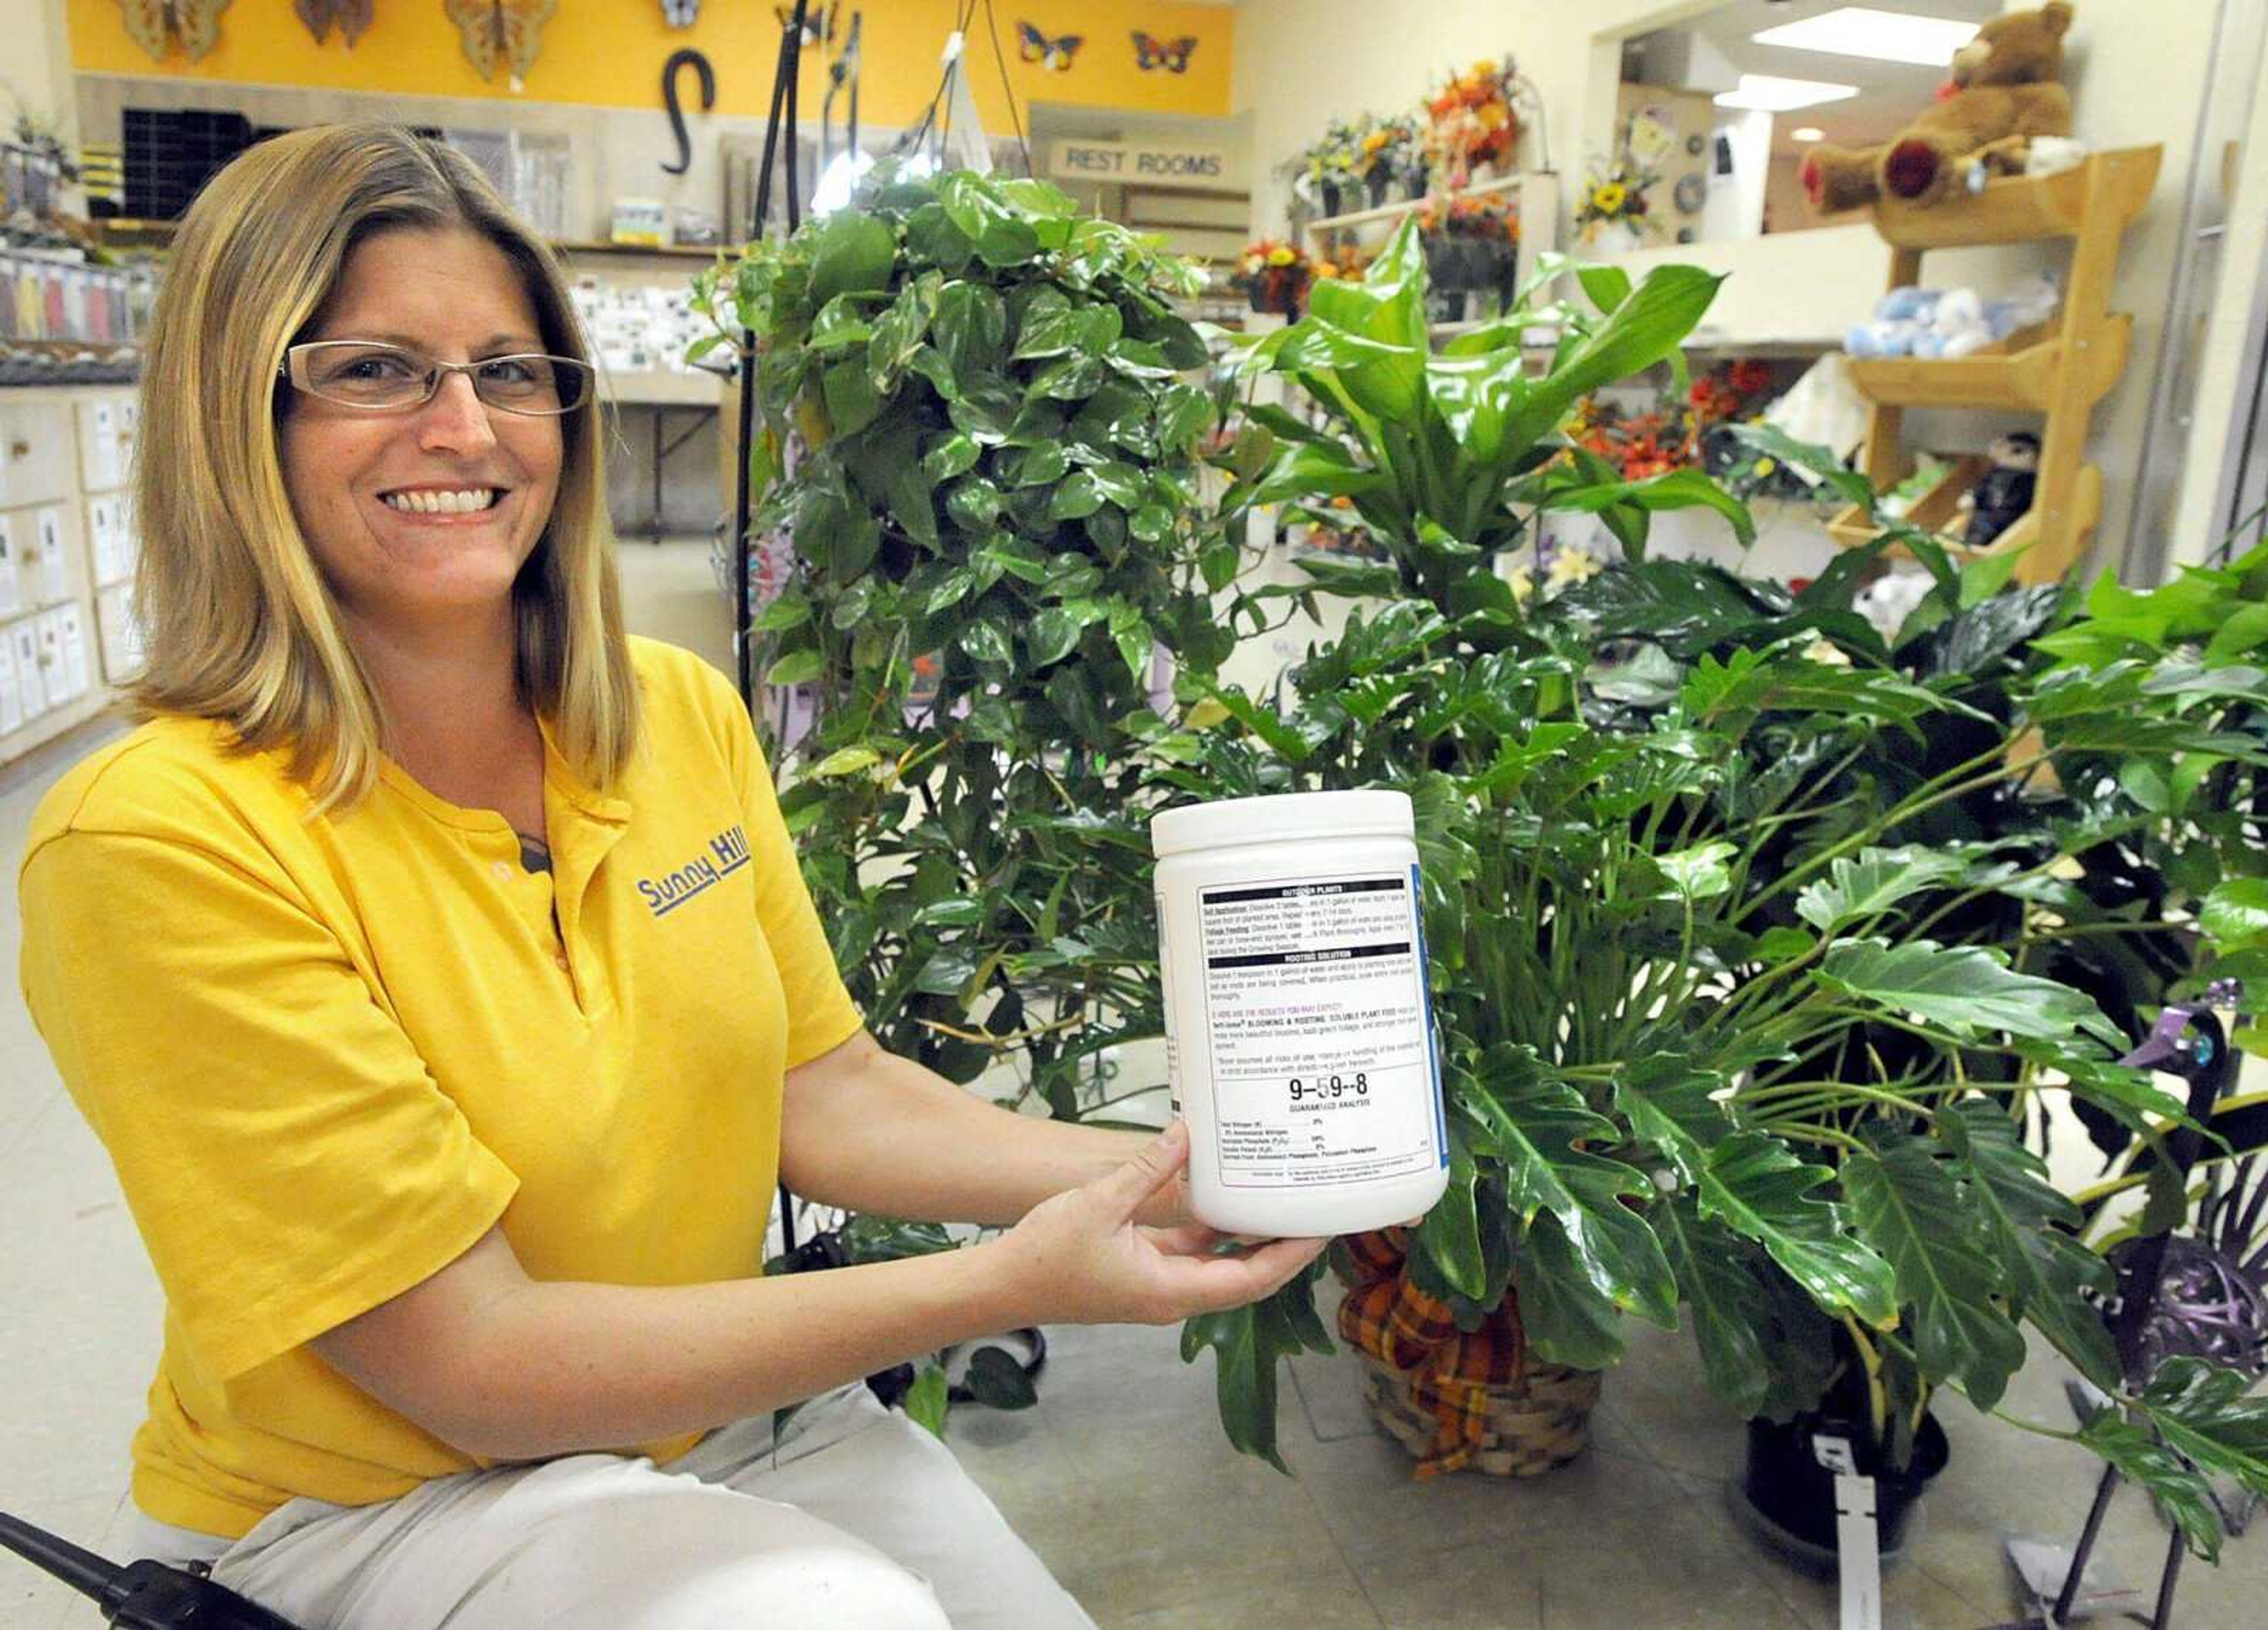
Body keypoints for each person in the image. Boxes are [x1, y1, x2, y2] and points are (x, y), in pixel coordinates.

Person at [17, 122, 1325, 1630]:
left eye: (510, 373)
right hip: (392, 1498)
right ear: (235, 413)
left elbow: (816, 1088)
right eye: (375, 369)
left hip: (728, 1414)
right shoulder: (160, 840)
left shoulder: (669, 715)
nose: (465, 429)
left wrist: (1182, 1175)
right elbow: (475, 1366)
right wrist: (1005, 1283)